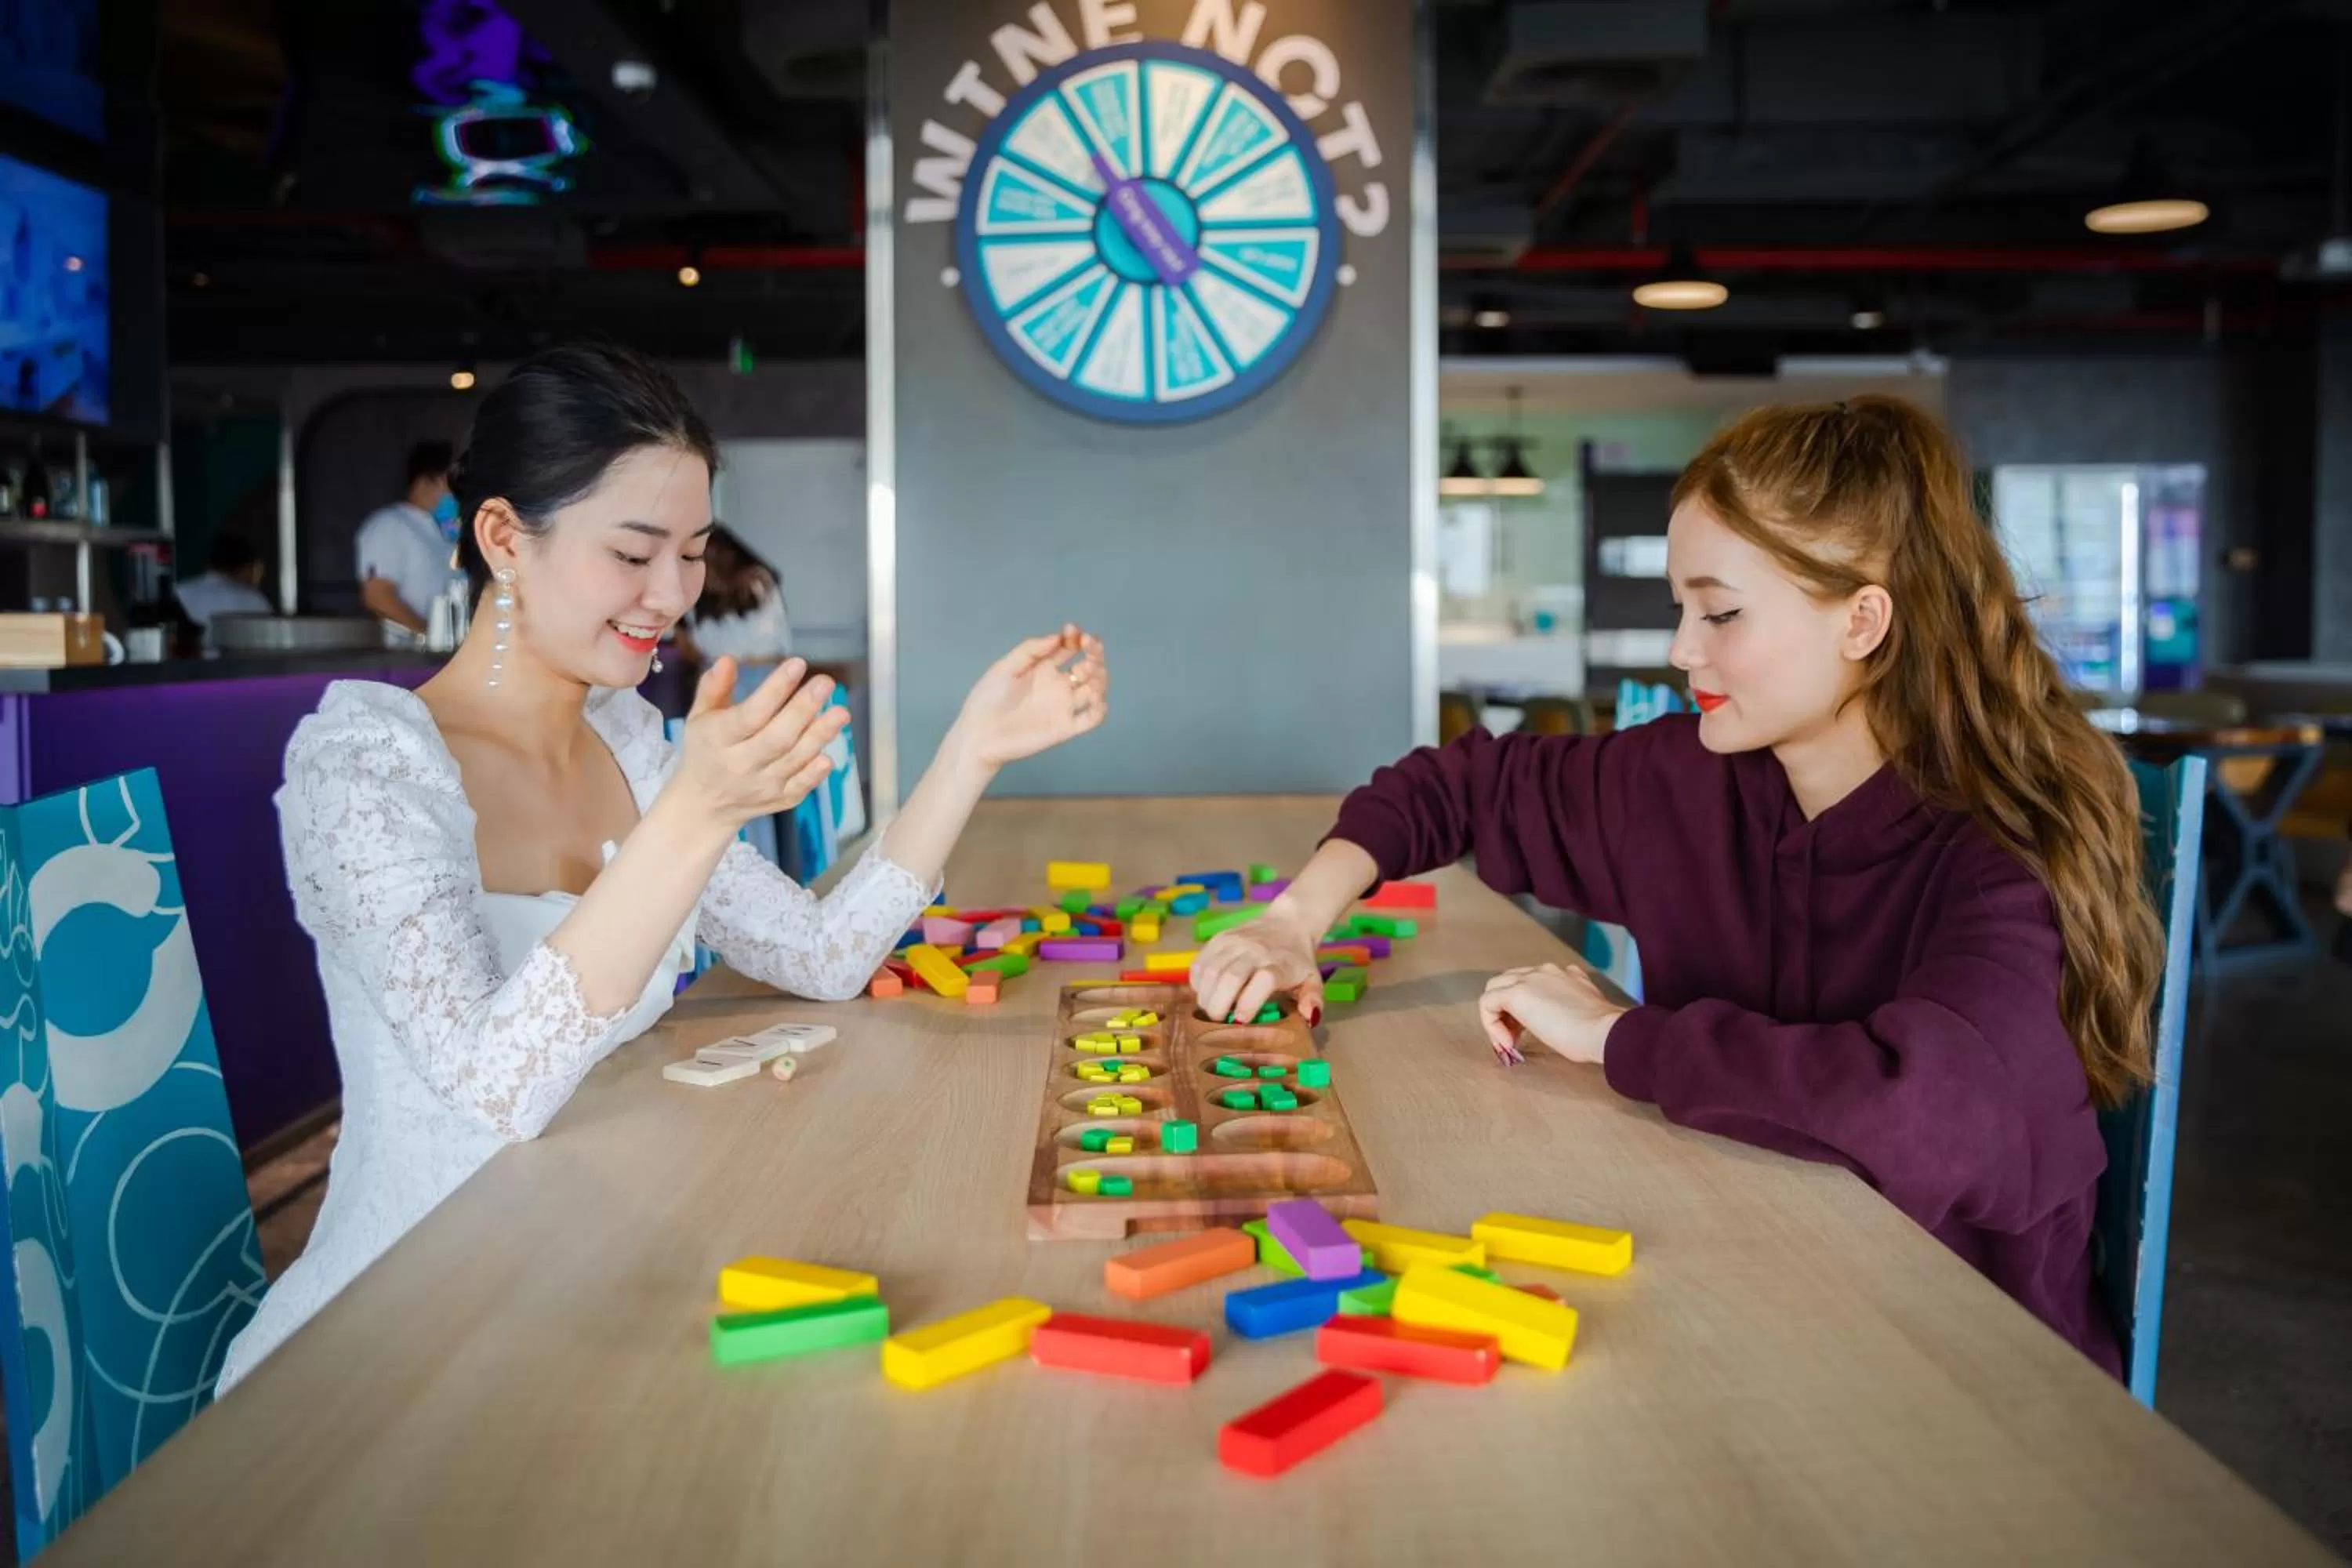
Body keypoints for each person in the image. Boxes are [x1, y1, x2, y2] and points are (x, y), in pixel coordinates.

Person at [1192, 396, 2160, 1377]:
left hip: (1971, 1362)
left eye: (1722, 612)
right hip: (1752, 1286)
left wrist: (1619, 1037)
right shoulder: (1692, 776)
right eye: (1680, 609)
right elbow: (1457, 786)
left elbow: (1931, 1119)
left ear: (1864, 620)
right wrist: (1294, 918)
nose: (1682, 648)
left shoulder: (1999, 853)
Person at [218, 343, 1109, 1390]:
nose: (673, 595)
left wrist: (973, 749)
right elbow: (491, 1093)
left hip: (606, 1259)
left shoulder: (631, 742)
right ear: (504, 536)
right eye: (634, 553)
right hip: (415, 1314)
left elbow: (821, 955)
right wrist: (693, 811)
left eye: (692, 552)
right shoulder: (367, 768)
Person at [673, 524, 798, 865]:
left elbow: (695, 646)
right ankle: (765, 866)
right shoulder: (759, 581)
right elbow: (782, 644)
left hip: (721, 680)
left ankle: (738, 866)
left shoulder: (700, 590)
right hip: (760, 680)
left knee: (727, 786)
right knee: (758, 786)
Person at [356, 439, 463, 636]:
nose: (458, 495)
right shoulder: (390, 526)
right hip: (407, 658)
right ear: (425, 482)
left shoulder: (445, 533)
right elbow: (377, 596)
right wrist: (429, 636)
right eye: (452, 484)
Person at [173, 532, 274, 649]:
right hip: (239, 667)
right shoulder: (253, 600)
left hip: (185, 667)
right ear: (245, 567)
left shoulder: (179, 592)